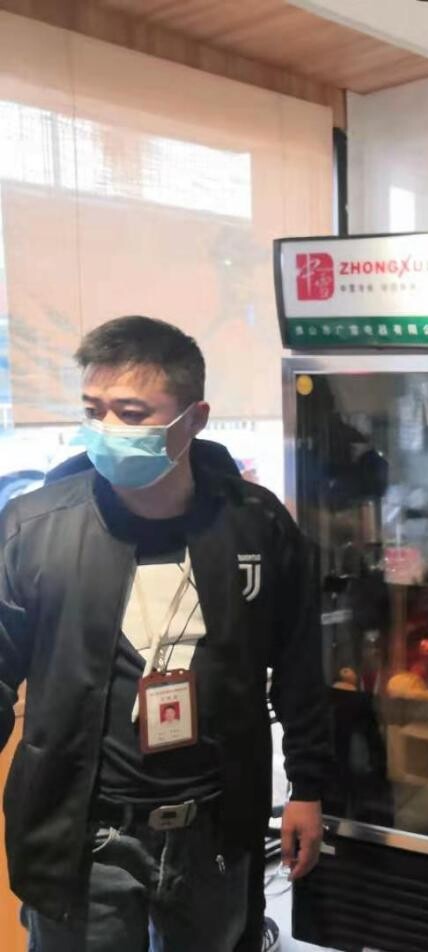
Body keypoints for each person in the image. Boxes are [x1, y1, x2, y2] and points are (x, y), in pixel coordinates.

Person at [0, 315, 330, 952]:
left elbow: (298, 666)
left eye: (130, 413)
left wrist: (309, 787)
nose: (105, 429)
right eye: (92, 410)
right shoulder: (34, 529)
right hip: (84, 835)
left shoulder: (255, 525)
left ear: (194, 419)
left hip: (214, 828)